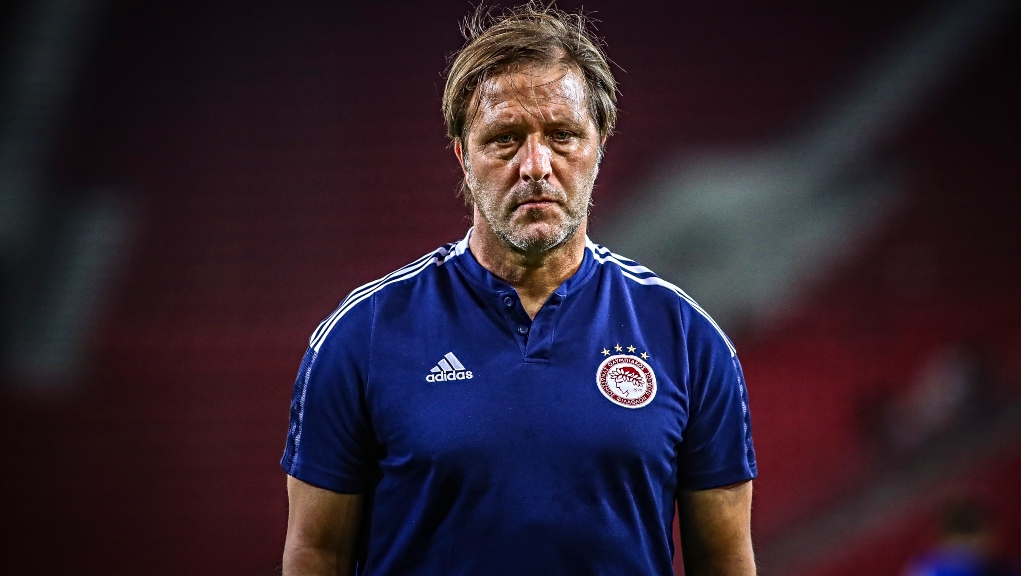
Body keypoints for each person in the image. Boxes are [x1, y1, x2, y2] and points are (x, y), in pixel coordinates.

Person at [281, 4, 757, 575]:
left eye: (562, 135)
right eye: (505, 138)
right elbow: (316, 552)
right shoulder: (363, 333)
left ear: (600, 145)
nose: (536, 165)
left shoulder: (688, 338)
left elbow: (725, 560)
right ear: (463, 155)